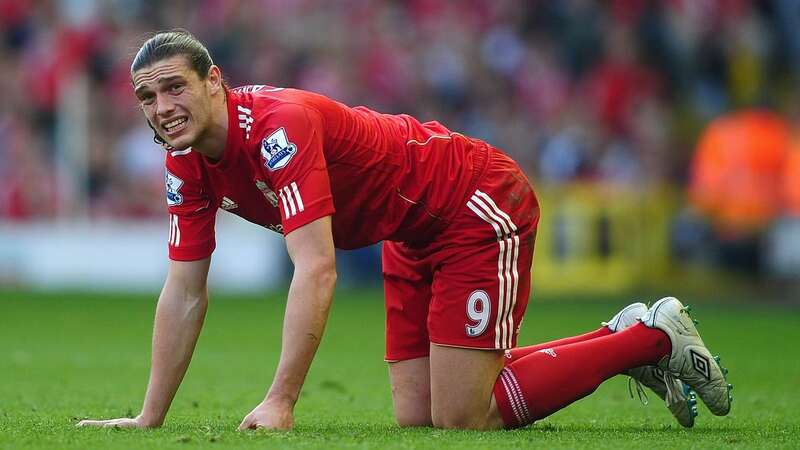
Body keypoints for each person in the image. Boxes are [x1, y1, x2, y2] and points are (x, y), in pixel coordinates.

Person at [77, 30, 731, 431]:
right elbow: (184, 291)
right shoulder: (186, 163)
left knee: (463, 416)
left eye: (173, 88)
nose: (162, 108)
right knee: (417, 416)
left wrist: (281, 400)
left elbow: (317, 267)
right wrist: (149, 417)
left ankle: (649, 339)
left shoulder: (278, 126)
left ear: (213, 82)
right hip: (408, 230)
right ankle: (620, 337)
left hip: (470, 202)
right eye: (146, 97)